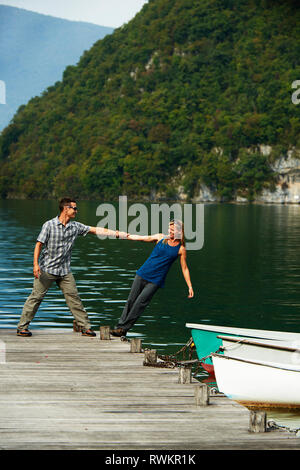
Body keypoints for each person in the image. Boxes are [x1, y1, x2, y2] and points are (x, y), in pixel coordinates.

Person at [17, 197, 126, 337]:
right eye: (74, 208)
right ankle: (22, 327)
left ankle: (85, 327)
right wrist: (35, 265)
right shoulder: (49, 225)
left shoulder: (75, 227)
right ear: (65, 209)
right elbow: (38, 244)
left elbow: (95, 230)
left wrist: (117, 234)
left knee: (74, 298)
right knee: (36, 297)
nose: (76, 210)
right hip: (46, 270)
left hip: (64, 271)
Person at [110, 220, 194, 337]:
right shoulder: (160, 238)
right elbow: (141, 238)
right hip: (142, 274)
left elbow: (184, 268)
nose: (169, 231)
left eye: (172, 230)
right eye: (169, 229)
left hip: (155, 280)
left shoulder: (181, 249)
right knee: (131, 301)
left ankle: (123, 329)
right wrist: (125, 236)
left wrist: (189, 286)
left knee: (140, 304)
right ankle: (120, 327)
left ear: (179, 231)